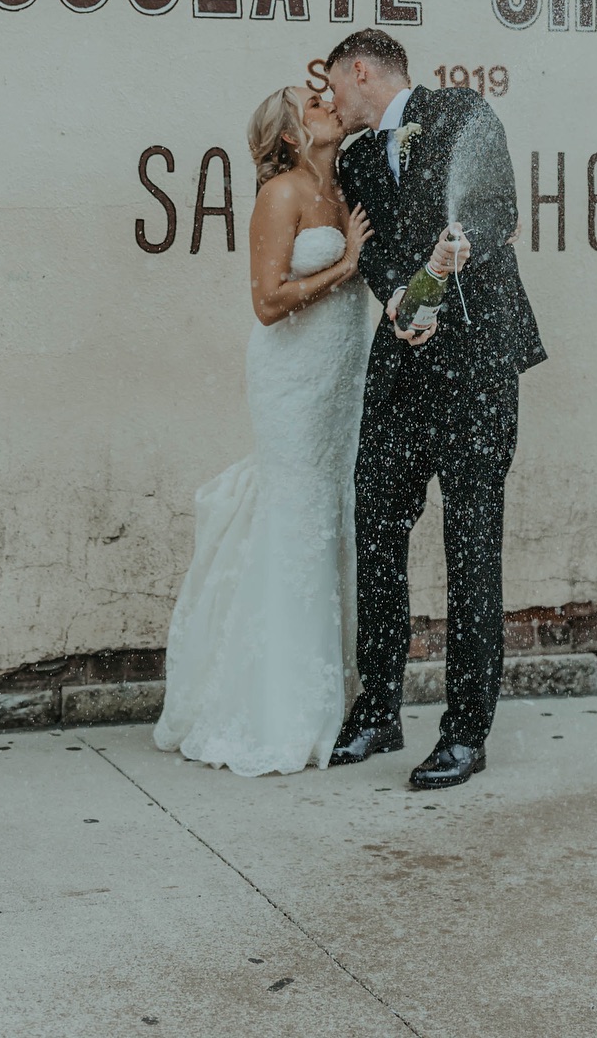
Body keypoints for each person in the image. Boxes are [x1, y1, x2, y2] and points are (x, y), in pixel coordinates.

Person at [325, 30, 545, 790]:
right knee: (377, 525)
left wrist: (461, 246)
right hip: (400, 366)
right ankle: (377, 708)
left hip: (478, 359)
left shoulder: (459, 110)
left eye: (333, 86)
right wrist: (396, 296)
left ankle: (465, 730)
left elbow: (496, 203)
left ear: (360, 70)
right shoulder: (353, 160)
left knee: (471, 539)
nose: (331, 102)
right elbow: (378, 251)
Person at [154, 85, 373, 774]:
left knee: (330, 518)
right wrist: (346, 265)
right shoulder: (280, 195)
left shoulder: (345, 187)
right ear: (288, 136)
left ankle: (329, 696)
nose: (330, 103)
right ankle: (272, 705)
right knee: (294, 515)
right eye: (314, 102)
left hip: (342, 376)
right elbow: (268, 301)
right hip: (291, 379)